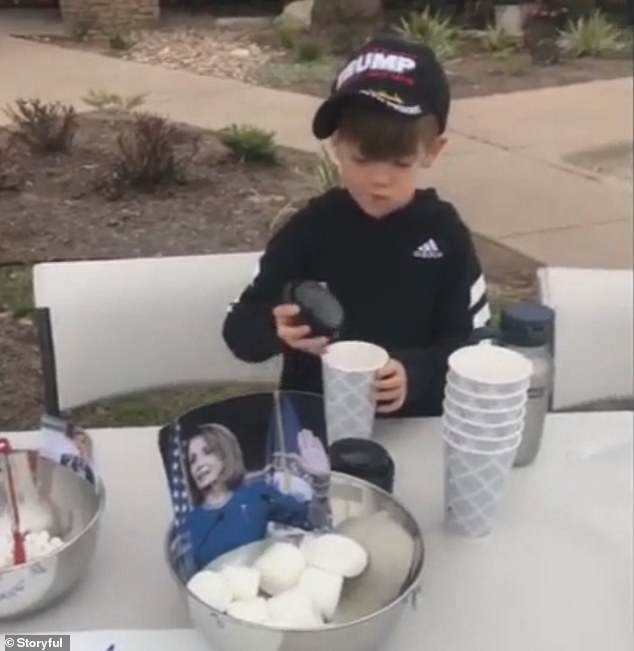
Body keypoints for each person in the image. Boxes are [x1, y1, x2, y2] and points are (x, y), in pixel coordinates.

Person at [222, 34, 490, 418]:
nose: (379, 180)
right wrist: (272, 327)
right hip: (316, 424)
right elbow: (239, 330)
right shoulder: (310, 228)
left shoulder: (445, 235)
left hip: (414, 426)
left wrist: (416, 373)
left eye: (400, 163)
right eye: (362, 160)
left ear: (431, 151)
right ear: (337, 144)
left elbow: (473, 345)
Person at [182, 423, 311, 569]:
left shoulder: (256, 496)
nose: (199, 464)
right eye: (192, 461)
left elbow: (309, 518)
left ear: (225, 455)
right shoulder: (189, 524)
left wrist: (321, 483)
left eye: (207, 452)